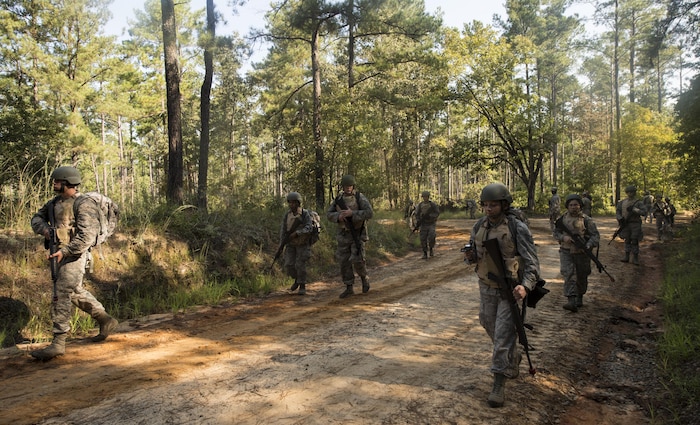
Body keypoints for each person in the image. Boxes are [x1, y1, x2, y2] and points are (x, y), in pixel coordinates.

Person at [463, 183, 540, 408]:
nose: (489, 208)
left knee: (504, 333)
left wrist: (525, 286)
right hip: (486, 286)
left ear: (504, 205)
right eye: (485, 205)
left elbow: (532, 261)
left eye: (493, 205)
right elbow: (474, 257)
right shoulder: (479, 225)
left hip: (511, 289)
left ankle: (498, 381)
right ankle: (510, 356)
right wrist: (469, 256)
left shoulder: (517, 228)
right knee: (487, 322)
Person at [29, 166, 119, 361]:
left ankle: (58, 342)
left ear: (66, 182)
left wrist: (66, 251)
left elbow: (86, 236)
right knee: (74, 291)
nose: (53, 184)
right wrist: (45, 230)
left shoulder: (84, 203)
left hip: (74, 254)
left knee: (61, 292)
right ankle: (105, 319)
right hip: (58, 252)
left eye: (56, 181)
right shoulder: (54, 203)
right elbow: (36, 218)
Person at [327, 175, 374, 299]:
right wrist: (338, 216)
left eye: (350, 186)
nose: (348, 188)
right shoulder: (338, 200)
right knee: (344, 262)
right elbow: (328, 214)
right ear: (343, 187)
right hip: (343, 235)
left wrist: (352, 213)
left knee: (358, 259)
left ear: (353, 186)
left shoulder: (359, 198)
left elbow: (369, 213)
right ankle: (349, 287)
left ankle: (364, 278)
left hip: (357, 234)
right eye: (346, 186)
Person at [553, 194, 600, 312]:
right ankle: (571, 300)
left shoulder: (587, 220)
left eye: (576, 205)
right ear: (567, 206)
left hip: (582, 253)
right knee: (569, 274)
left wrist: (588, 244)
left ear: (580, 206)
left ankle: (580, 296)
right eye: (571, 205)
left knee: (582, 274)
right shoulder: (562, 219)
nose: (574, 207)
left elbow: (595, 236)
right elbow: (556, 233)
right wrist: (564, 238)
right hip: (566, 251)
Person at [280, 192, 314, 295]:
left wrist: (298, 233)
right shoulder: (287, 215)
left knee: (300, 265)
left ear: (298, 203)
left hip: (302, 243)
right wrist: (281, 243)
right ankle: (297, 279)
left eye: (294, 203)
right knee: (289, 265)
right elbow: (283, 229)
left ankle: (302, 285)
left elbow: (309, 227)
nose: (292, 205)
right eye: (290, 202)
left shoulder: (304, 214)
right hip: (290, 243)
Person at [615, 185, 646, 265]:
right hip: (625, 223)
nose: (630, 194)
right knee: (627, 239)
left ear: (634, 193)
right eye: (628, 192)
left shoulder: (638, 202)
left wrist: (635, 210)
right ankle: (626, 256)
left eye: (632, 192)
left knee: (635, 240)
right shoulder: (622, 202)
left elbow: (644, 212)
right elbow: (618, 211)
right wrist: (620, 218)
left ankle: (635, 258)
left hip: (635, 223)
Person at [414, 191, 440, 259]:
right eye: (424, 197)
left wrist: (431, 216)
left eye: (426, 197)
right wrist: (419, 220)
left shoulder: (432, 205)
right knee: (423, 239)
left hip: (431, 223)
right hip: (423, 224)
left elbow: (437, 213)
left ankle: (431, 249)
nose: (425, 198)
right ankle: (425, 253)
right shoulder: (420, 205)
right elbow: (417, 214)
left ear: (428, 197)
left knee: (432, 236)